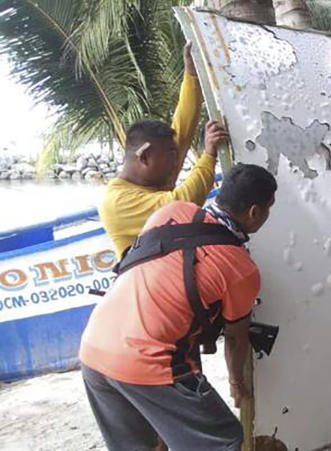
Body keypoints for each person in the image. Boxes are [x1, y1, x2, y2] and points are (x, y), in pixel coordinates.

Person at [79, 163, 278, 450]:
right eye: (269, 208)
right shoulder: (241, 269)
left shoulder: (169, 212)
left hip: (94, 348)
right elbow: (236, 339)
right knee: (222, 439)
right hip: (148, 361)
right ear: (255, 212)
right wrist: (236, 383)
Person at [99, 43, 228, 257]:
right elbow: (181, 203)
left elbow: (182, 129)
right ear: (145, 156)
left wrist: (191, 74)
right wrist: (209, 155)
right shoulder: (117, 202)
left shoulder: (153, 177)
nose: (174, 165)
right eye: (170, 157)